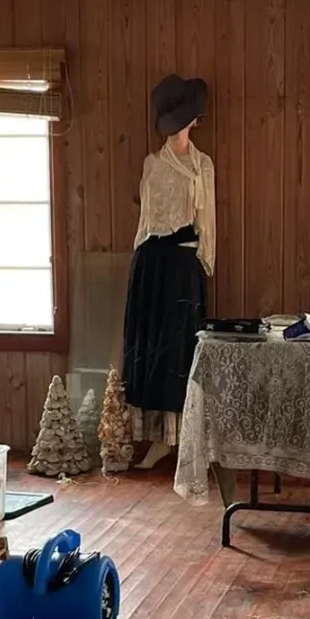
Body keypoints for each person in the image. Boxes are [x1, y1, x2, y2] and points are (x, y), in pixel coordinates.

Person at [121, 74, 214, 469]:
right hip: (151, 263)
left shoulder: (202, 166)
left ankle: (181, 440)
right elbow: (145, 221)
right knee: (150, 347)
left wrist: (204, 260)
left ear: (195, 119)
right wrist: (139, 263)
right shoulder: (151, 164)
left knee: (180, 349)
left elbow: (207, 219)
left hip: (182, 263)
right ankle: (152, 436)